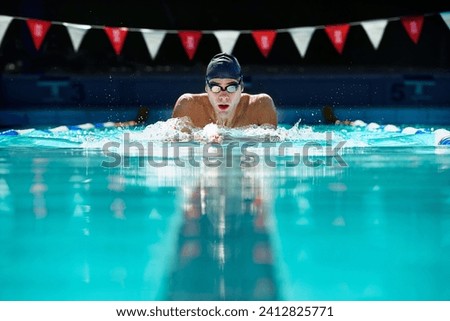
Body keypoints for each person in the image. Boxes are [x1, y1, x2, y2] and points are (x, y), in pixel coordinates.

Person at [171, 53, 278, 129]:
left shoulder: (261, 106)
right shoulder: (188, 107)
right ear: (206, 88)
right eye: (215, 88)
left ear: (241, 87)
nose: (223, 96)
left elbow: (269, 150)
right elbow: (177, 151)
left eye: (231, 87)